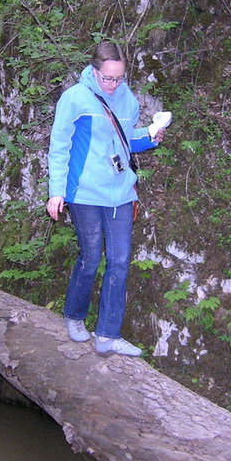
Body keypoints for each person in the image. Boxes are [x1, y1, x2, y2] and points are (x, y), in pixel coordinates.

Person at [46, 41, 165, 357]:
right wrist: (56, 191)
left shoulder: (127, 100)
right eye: (107, 78)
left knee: (120, 261)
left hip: (121, 192)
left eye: (119, 78)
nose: (113, 85)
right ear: (94, 70)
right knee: (90, 256)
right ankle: (74, 315)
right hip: (85, 192)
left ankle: (108, 335)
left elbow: (126, 142)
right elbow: (59, 147)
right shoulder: (75, 99)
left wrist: (150, 137)